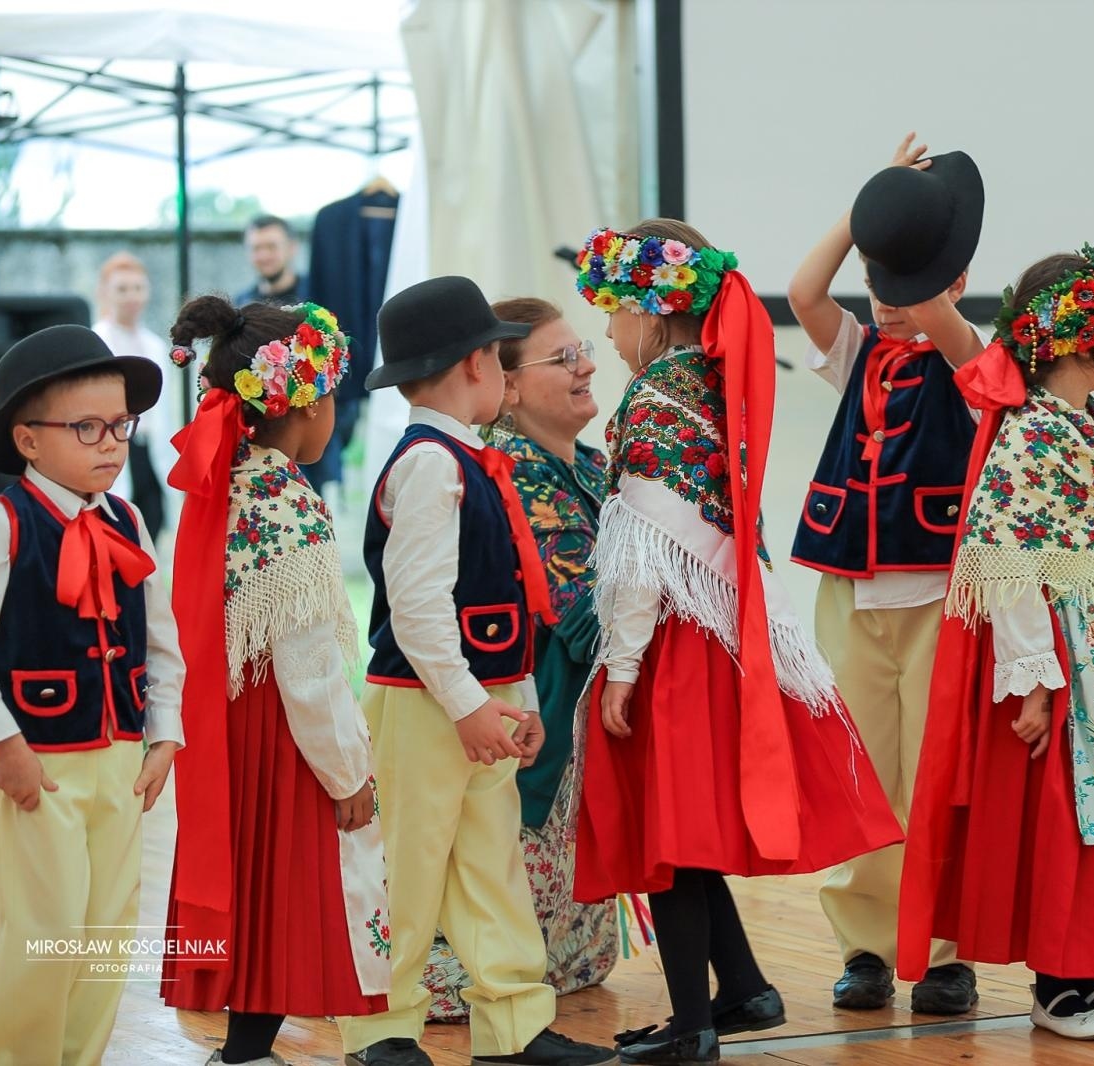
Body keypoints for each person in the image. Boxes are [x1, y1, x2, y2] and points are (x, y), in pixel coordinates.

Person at [573, 220, 903, 1065]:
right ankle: (746, 988)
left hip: (679, 639)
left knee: (677, 834)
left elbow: (641, 552)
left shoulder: (655, 397)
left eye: (612, 311)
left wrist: (620, 665)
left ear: (651, 309)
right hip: (724, 632)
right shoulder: (718, 380)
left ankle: (692, 1028)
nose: (608, 333)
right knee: (692, 822)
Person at [337, 276, 616, 1066]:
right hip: (425, 703)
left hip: (478, 697)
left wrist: (517, 696)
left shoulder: (470, 457)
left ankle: (514, 1026)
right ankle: (380, 1029)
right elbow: (420, 610)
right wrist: (467, 704)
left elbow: (511, 596)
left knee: (489, 867)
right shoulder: (431, 464)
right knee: (411, 867)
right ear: (474, 366)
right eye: (499, 358)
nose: (501, 373)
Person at [898, 244, 1094, 1040]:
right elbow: (1009, 561)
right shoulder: (1029, 434)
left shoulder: (1090, 422)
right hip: (1066, 644)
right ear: (1077, 338)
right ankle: (1061, 983)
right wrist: (1034, 679)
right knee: (1066, 813)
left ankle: (1087, 971)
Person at [0, 324, 184, 1065]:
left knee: (105, 934)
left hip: (121, 762)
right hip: (36, 767)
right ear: (29, 441)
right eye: (86, 427)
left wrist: (164, 732)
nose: (110, 443)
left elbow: (160, 641)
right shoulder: (4, 524)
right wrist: (5, 747)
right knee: (45, 935)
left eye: (121, 426)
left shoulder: (127, 519)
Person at [159, 297, 390, 1065]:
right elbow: (309, 658)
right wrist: (347, 767)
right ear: (308, 404)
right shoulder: (286, 500)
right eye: (331, 398)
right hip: (281, 730)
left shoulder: (225, 485)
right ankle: (246, 1051)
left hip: (229, 721)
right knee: (282, 891)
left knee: (251, 886)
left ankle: (243, 1049)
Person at [786, 134, 983, 1014]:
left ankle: (943, 950)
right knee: (861, 770)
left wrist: (920, 238)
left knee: (936, 773)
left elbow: (940, 319)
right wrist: (871, 215)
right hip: (851, 592)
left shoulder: (969, 352)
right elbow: (801, 291)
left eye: (905, 287)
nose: (891, 304)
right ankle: (863, 945)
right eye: (879, 286)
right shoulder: (857, 348)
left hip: (940, 592)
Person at [425, 297, 618, 1019]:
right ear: (505, 387)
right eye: (563, 358)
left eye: (585, 350)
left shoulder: (597, 467)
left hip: (571, 746)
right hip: (516, 744)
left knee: (580, 961)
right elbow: (585, 620)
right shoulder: (510, 475)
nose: (587, 365)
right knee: (476, 974)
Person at [93, 250, 181, 542]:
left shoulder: (155, 345)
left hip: (150, 450)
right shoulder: (96, 340)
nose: (131, 296)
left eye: (138, 288)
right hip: (113, 445)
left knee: (150, 529)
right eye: (122, 289)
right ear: (106, 292)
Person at [234, 215, 305, 308]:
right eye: (256, 248)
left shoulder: (318, 294)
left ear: (292, 248)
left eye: (271, 246)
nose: (264, 256)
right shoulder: (241, 305)